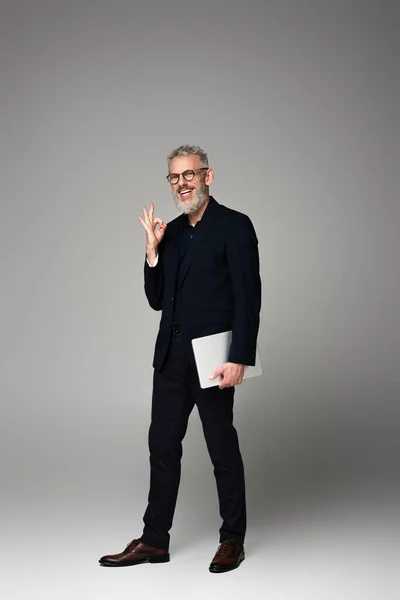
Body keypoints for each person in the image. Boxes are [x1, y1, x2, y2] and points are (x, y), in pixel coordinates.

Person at [99, 145, 261, 573]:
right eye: (174, 177)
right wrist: (152, 252)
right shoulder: (168, 231)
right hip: (170, 360)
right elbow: (157, 301)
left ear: (208, 176)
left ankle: (233, 539)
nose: (182, 183)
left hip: (212, 361)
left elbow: (249, 299)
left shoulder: (235, 226)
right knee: (162, 448)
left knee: (221, 448)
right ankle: (155, 541)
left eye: (190, 174)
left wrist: (240, 357)